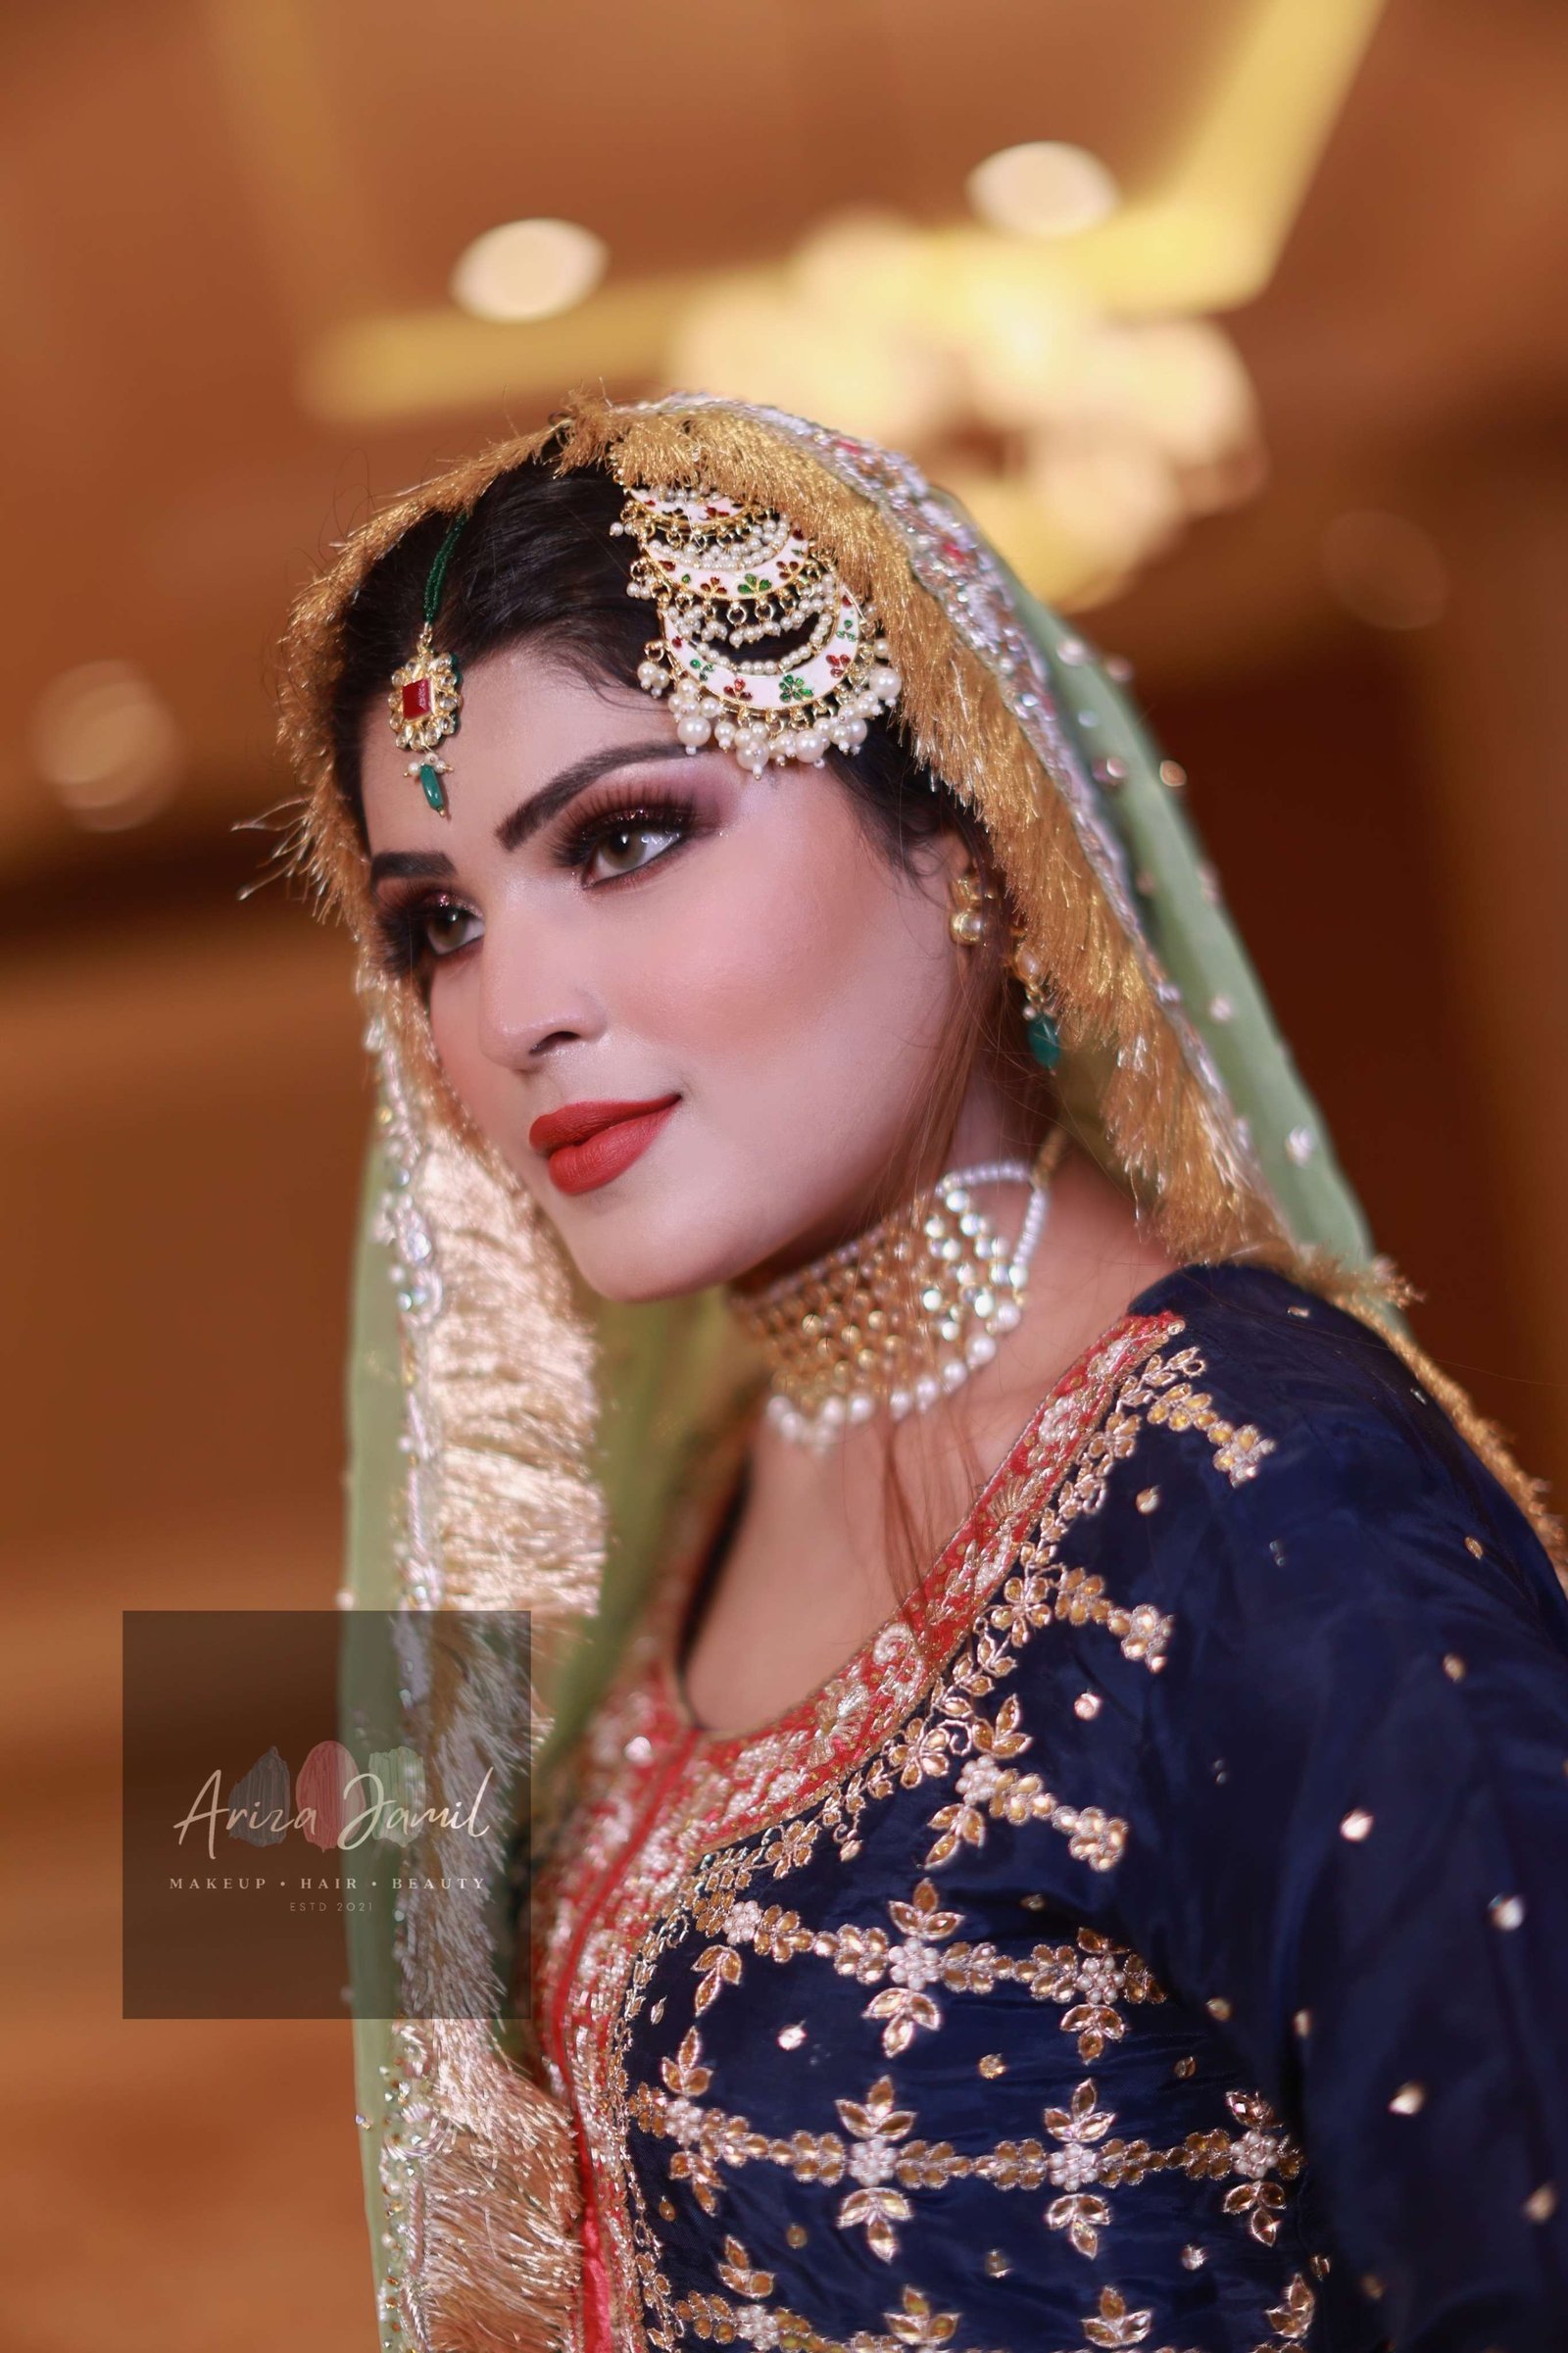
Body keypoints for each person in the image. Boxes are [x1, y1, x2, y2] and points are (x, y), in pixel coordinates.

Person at [280, 391, 1568, 2353]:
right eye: (437, 924)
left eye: (624, 837)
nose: (515, 1008)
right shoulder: (700, 1471)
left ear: (967, 835)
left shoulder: (1260, 1491)